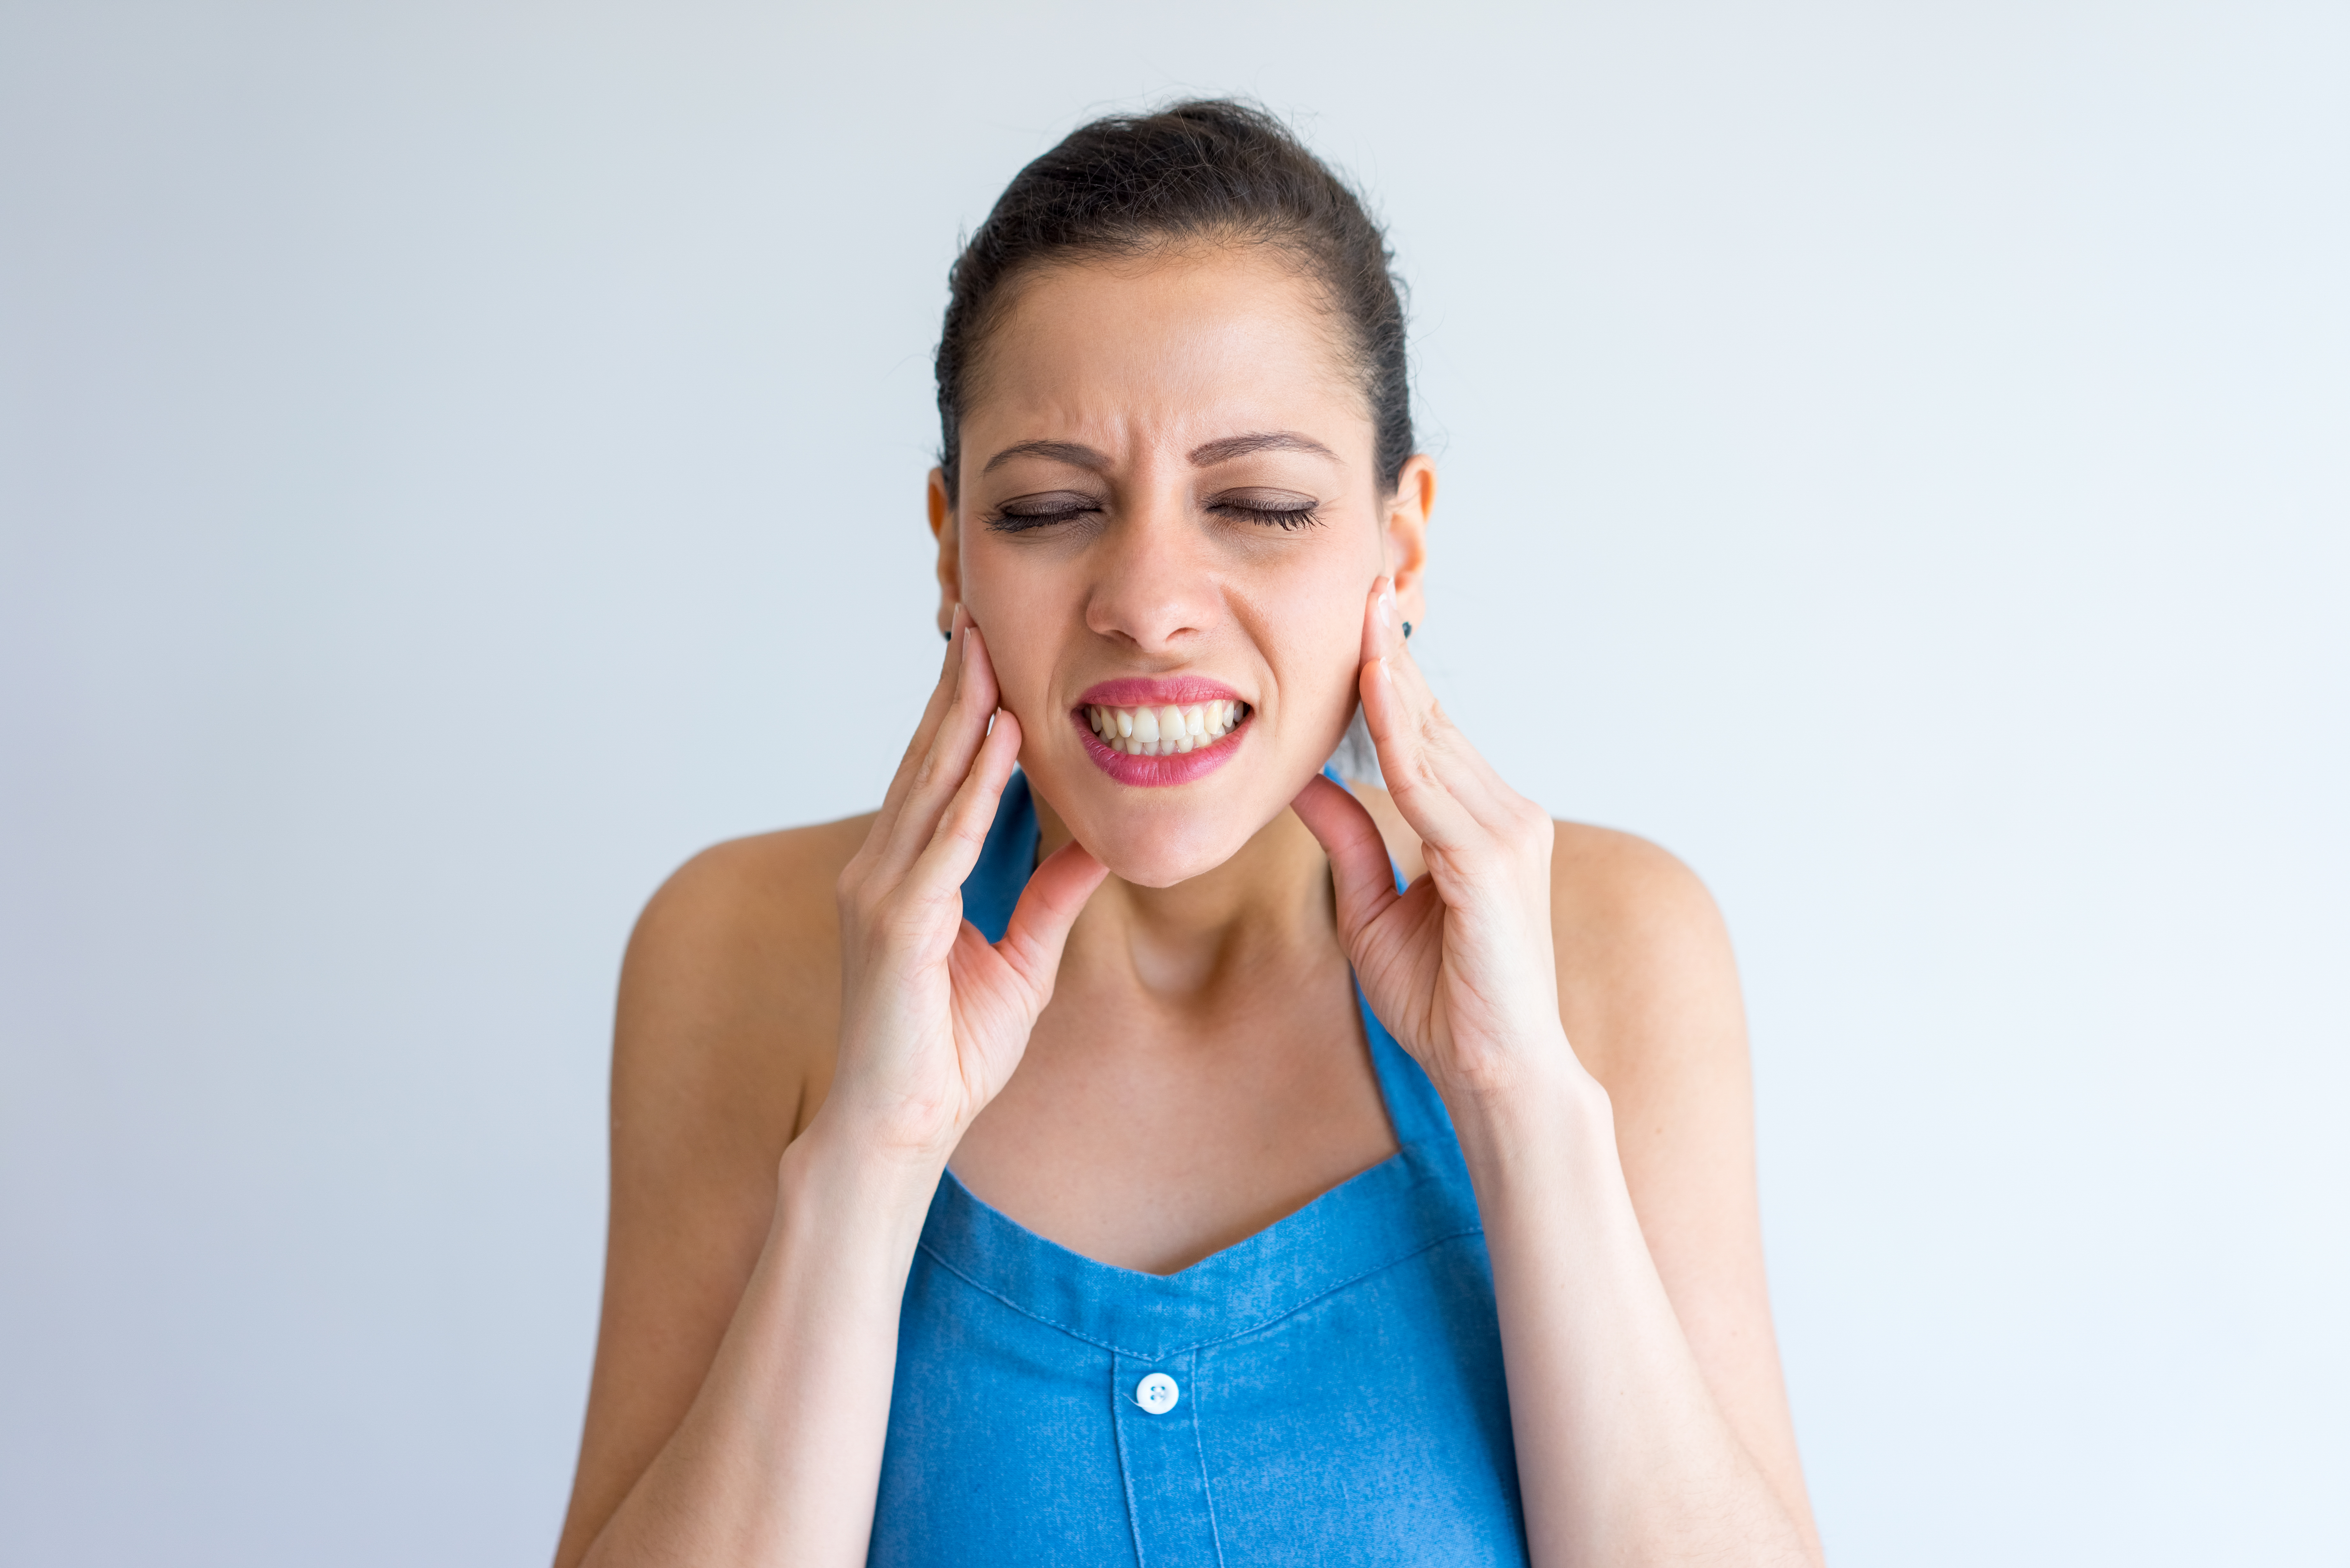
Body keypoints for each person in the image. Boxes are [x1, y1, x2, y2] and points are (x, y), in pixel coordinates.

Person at [553, 100, 1822, 1568]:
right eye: (1046, 507)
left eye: (1261, 504)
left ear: (1397, 541)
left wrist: (1516, 1098)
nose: (1148, 600)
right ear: (948, 544)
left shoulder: (1611, 948)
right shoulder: (744, 950)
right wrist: (873, 1150)